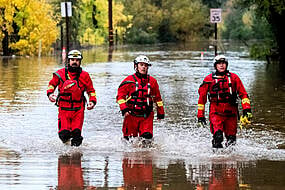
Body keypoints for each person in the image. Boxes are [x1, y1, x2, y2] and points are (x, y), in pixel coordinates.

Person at [197, 55, 252, 148]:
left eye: (223, 63)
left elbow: (244, 95)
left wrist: (247, 110)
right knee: (218, 137)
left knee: (231, 140)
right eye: (219, 64)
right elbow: (202, 99)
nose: (221, 65)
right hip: (216, 113)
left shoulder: (234, 78)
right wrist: (200, 115)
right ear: (215, 66)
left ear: (226, 65)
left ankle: (229, 160)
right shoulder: (209, 80)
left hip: (231, 113)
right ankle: (216, 159)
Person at [47, 50, 97, 146]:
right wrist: (50, 94)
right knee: (64, 134)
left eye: (77, 60)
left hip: (78, 109)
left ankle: (76, 157)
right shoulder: (60, 73)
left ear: (80, 62)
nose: (74, 62)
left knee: (76, 135)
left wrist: (92, 101)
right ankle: (65, 156)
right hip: (64, 108)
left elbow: (91, 91)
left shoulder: (85, 76)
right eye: (72, 60)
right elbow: (51, 85)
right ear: (68, 61)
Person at [116, 55, 165, 143]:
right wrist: (124, 109)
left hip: (146, 116)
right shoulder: (129, 80)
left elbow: (158, 99)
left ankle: (145, 156)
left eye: (145, 65)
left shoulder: (153, 82)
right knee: (128, 141)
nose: (143, 67)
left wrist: (160, 112)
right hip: (131, 115)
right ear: (136, 66)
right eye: (141, 65)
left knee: (147, 140)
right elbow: (120, 97)